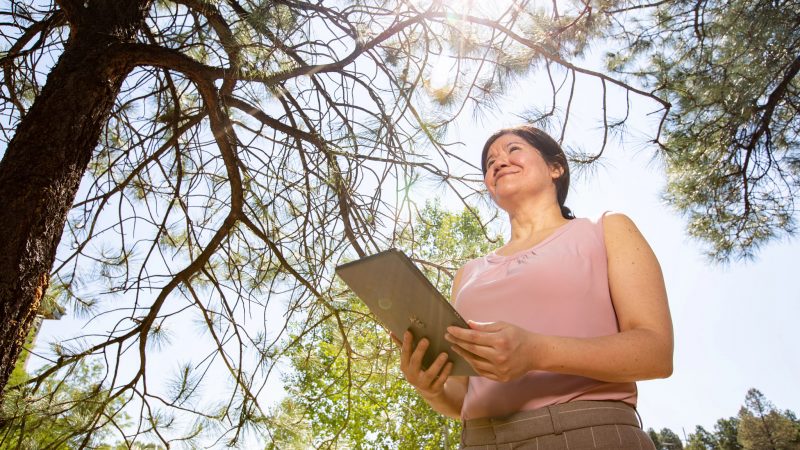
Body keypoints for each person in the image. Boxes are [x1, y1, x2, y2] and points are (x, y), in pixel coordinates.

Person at [396, 125, 674, 449]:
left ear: (555, 168)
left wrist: (535, 352)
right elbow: (462, 397)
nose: (498, 162)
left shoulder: (606, 229)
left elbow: (656, 352)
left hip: (586, 432)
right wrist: (430, 387)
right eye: (489, 163)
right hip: (480, 439)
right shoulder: (467, 274)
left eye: (513, 150)